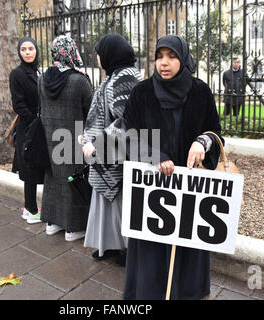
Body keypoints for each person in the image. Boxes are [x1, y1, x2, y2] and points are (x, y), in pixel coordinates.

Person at [121, 35, 223, 300]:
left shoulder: (200, 91)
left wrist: (204, 141)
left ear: (183, 58)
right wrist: (155, 156)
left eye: (172, 56)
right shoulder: (142, 92)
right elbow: (127, 134)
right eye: (159, 56)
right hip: (154, 188)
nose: (164, 63)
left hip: (188, 188)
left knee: (186, 245)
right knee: (152, 251)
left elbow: (217, 133)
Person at [81, 33, 142, 263]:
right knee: (108, 202)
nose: (97, 57)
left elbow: (126, 120)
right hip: (107, 157)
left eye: (99, 53)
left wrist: (97, 142)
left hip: (118, 157)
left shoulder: (123, 78)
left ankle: (126, 250)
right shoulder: (115, 75)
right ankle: (110, 245)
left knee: (120, 202)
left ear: (109, 54)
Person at [40, 35, 93, 241]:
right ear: (72, 51)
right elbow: (91, 112)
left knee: (53, 180)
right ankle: (73, 228)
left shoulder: (42, 78)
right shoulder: (79, 80)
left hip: (50, 138)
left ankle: (52, 223)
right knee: (74, 181)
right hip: (74, 140)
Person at [9, 37, 44, 224]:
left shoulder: (37, 71)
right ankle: (31, 210)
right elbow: (18, 104)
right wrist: (35, 120)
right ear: (19, 52)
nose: (28, 52)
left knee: (34, 165)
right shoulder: (17, 74)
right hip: (29, 127)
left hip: (37, 125)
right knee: (29, 167)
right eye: (23, 49)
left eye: (31, 48)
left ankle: (30, 207)